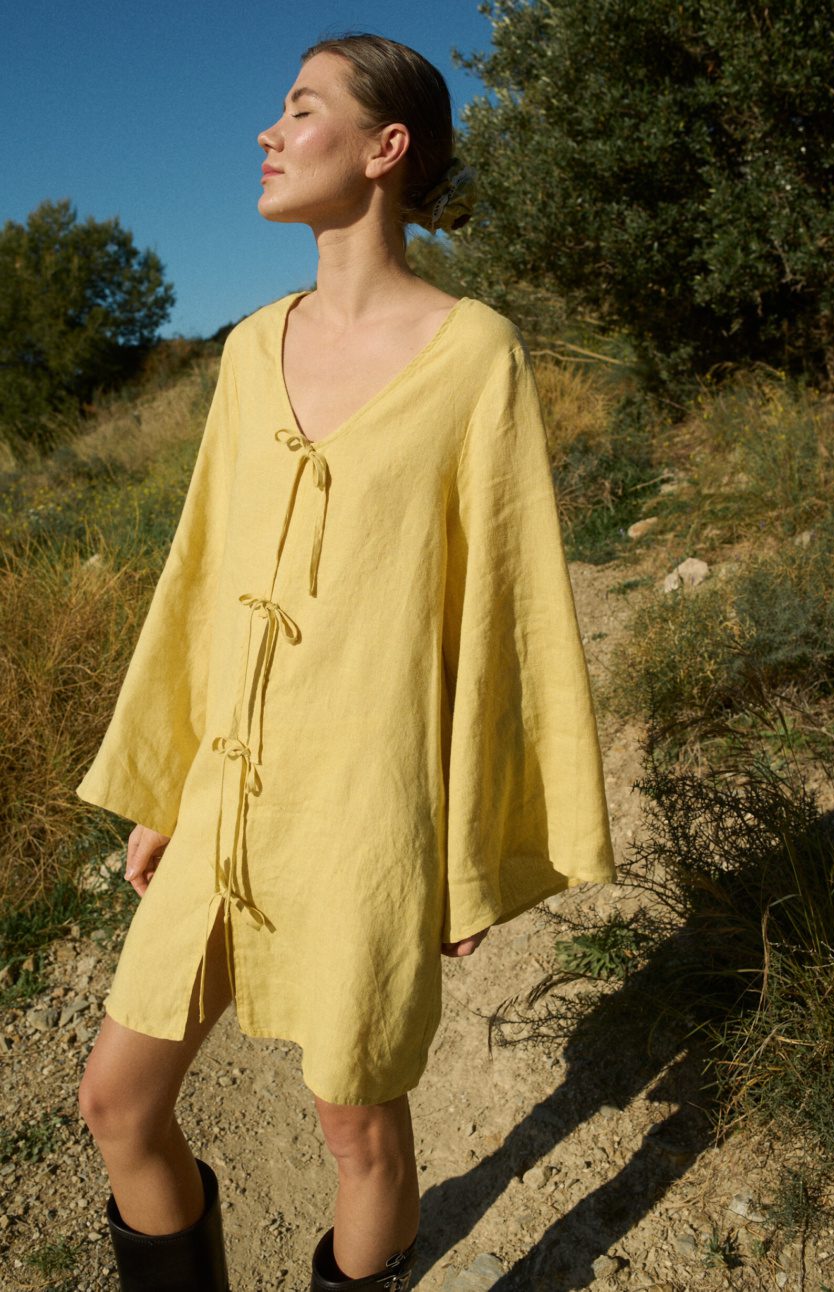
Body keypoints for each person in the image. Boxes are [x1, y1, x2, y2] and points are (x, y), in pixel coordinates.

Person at [74, 31, 616, 1292]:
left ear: (386, 150)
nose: (267, 131)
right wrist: (167, 783)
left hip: (368, 805)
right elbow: (200, 575)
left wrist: (464, 840)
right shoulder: (247, 347)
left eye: (300, 108)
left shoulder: (474, 353)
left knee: (353, 1124)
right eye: (274, 107)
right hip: (224, 788)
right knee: (116, 1099)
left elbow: (507, 607)